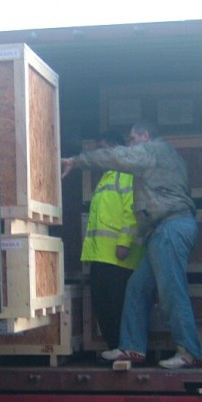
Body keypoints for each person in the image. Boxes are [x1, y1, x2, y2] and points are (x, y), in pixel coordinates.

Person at [62, 121, 201, 369]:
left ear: (145, 136)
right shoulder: (170, 156)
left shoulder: (152, 151)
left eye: (133, 139)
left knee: (171, 291)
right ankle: (133, 348)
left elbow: (118, 156)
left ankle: (189, 350)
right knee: (137, 288)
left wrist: (77, 161)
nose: (131, 145)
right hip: (164, 230)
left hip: (169, 228)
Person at [81, 131, 143, 350]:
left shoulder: (125, 174)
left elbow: (131, 211)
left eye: (104, 148)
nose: (100, 153)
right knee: (102, 304)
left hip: (119, 257)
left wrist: (124, 243)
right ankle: (115, 348)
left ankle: (122, 348)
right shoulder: (106, 177)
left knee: (116, 306)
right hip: (102, 256)